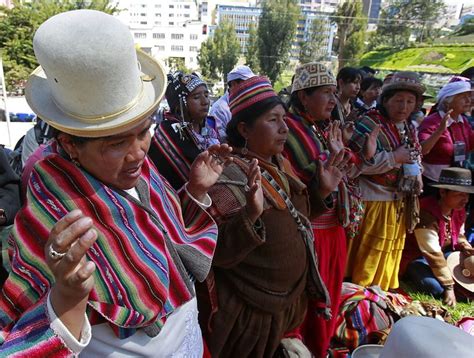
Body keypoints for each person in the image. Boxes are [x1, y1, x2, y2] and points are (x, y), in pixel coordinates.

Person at [0, 10, 231, 356]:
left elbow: (160, 238)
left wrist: (195, 191)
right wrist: (66, 295)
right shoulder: (53, 209)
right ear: (70, 146)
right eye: (116, 143)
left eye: (144, 132)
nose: (138, 152)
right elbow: (23, 324)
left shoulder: (141, 171)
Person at [199, 75, 330, 357]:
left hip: (285, 309)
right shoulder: (227, 178)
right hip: (250, 318)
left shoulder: (280, 164)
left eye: (284, 119)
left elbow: (294, 221)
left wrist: (322, 191)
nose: (284, 128)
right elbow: (215, 252)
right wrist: (251, 214)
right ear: (244, 128)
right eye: (273, 120)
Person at [283, 62, 378, 358]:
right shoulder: (290, 131)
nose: (333, 100)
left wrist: (345, 149)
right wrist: (338, 154)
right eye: (326, 93)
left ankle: (319, 348)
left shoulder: (319, 128)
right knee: (311, 306)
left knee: (329, 299)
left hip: (332, 232)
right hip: (314, 235)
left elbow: (341, 170)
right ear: (303, 97)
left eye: (334, 93)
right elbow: (304, 183)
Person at [347, 71, 425, 291]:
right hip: (372, 202)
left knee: (386, 249)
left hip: (396, 202)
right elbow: (354, 165)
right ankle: (359, 295)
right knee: (368, 251)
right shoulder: (368, 123)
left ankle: (379, 295)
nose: (404, 107)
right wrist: (393, 158)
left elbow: (414, 156)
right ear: (386, 100)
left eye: (410, 101)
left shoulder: (409, 128)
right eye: (398, 100)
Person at [403, 168, 474, 306]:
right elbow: (432, 252)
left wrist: (466, 246)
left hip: (442, 252)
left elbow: (459, 233)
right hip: (417, 257)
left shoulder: (458, 210)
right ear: (442, 192)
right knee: (434, 288)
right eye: (459, 194)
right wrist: (449, 287)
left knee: (467, 263)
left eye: (467, 195)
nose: (464, 200)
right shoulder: (426, 213)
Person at [148, 71, 222, 190]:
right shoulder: (169, 130)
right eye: (196, 97)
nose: (205, 102)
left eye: (206, 95)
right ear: (180, 104)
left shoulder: (209, 126)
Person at [418, 76, 474, 192]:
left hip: (455, 180)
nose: (469, 101)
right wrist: (439, 131)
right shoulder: (432, 121)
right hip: (432, 183)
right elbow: (422, 150)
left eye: (469, 97)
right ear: (448, 101)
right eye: (463, 97)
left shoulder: (463, 122)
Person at [209, 65, 255, 140]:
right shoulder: (219, 110)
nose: (251, 87)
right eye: (247, 83)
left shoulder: (249, 103)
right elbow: (221, 141)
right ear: (234, 84)